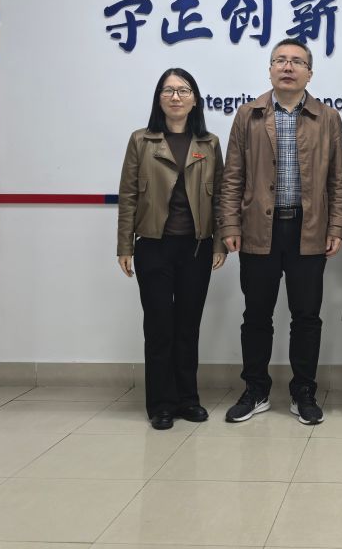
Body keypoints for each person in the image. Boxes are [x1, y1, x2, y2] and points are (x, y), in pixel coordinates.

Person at [219, 38, 342, 425]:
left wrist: (336, 225)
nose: (288, 67)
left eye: (297, 62)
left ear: (310, 72)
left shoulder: (327, 118)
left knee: (306, 316)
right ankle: (255, 389)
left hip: (309, 229)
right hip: (259, 229)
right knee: (256, 315)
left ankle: (303, 391)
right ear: (270, 69)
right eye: (280, 60)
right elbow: (232, 176)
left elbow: (337, 180)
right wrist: (230, 223)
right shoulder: (248, 115)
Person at [117, 68, 226, 431]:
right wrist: (124, 244)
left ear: (195, 99)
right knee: (159, 326)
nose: (176, 97)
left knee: (188, 326)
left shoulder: (209, 143)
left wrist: (220, 241)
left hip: (196, 248)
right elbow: (128, 195)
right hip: (153, 246)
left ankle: (188, 399)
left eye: (183, 90)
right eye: (168, 90)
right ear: (159, 99)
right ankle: (161, 404)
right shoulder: (141, 141)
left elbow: (221, 195)